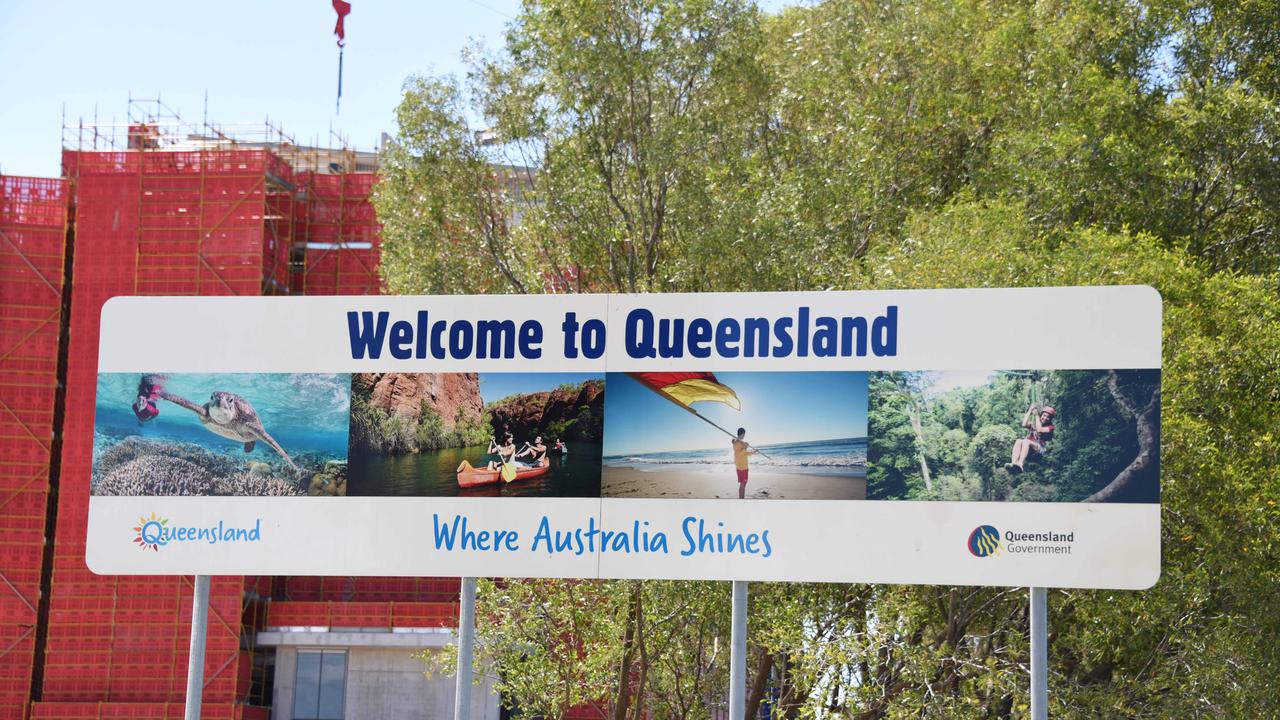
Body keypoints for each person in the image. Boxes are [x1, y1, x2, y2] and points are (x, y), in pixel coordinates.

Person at [1005, 405, 1056, 473]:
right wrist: (1030, 411)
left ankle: (1020, 463)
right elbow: (1024, 424)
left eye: (1048, 417)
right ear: (1042, 415)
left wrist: (1036, 415)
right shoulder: (1035, 423)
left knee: (1026, 441)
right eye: (1044, 415)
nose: (1045, 418)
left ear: (1050, 419)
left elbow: (1039, 429)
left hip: (1039, 449)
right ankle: (1013, 463)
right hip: (1029, 448)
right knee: (1019, 441)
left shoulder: (1050, 427)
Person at [731, 427, 758, 499]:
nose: (744, 436)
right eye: (744, 434)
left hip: (744, 466)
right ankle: (741, 499)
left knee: (744, 484)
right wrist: (745, 447)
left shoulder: (740, 442)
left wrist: (753, 452)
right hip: (741, 467)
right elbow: (738, 456)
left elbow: (745, 453)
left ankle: (742, 498)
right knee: (743, 484)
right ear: (742, 434)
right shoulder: (737, 443)